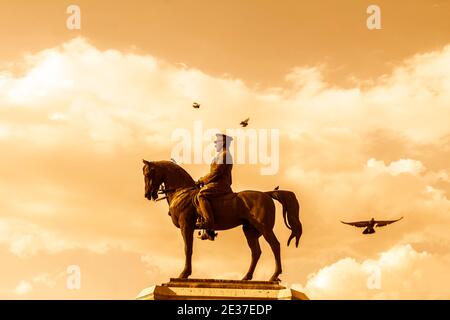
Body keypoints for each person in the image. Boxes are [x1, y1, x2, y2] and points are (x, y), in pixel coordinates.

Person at [195, 133, 233, 240]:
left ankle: (208, 224)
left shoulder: (225, 155)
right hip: (216, 182)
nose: (215, 144)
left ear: (223, 143)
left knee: (201, 195)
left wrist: (201, 180)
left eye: (217, 142)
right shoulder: (221, 155)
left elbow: (216, 172)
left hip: (221, 184)